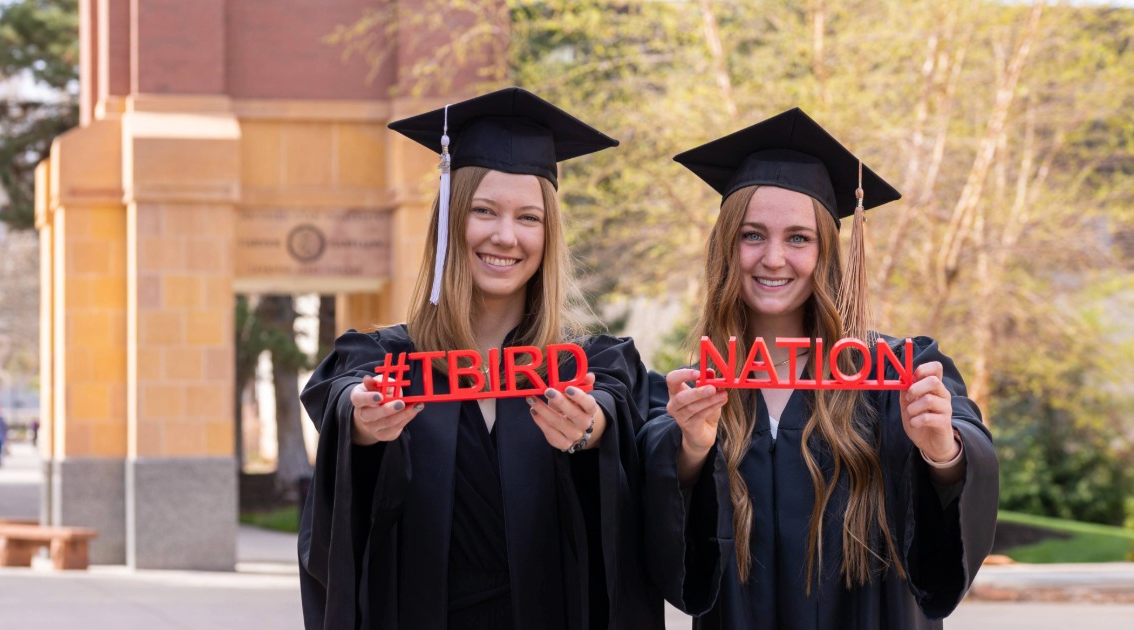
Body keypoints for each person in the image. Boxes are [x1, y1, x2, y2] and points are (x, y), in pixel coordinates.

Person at [298, 87, 662, 630]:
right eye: (484, 211)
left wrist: (591, 428)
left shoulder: (583, 365)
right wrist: (362, 419)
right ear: (449, 222)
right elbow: (347, 391)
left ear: (549, 233)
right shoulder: (390, 360)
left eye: (529, 218)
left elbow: (615, 402)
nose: (505, 236)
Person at [639, 108, 999, 629]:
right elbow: (665, 539)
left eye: (799, 238)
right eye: (752, 235)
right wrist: (690, 447)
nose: (774, 258)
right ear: (725, 247)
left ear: (828, 252)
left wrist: (943, 450)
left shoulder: (895, 372)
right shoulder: (699, 388)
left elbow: (966, 458)